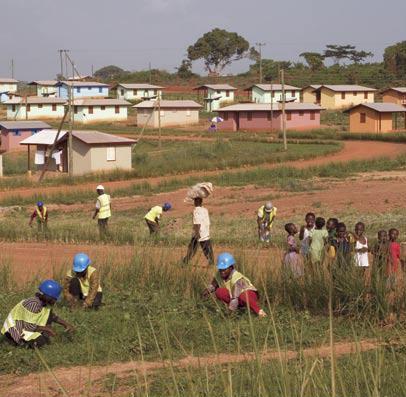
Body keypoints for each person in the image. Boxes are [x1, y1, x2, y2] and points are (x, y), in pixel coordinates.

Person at [1, 280, 74, 348]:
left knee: (45, 338)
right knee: (40, 341)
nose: (55, 301)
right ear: (48, 297)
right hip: (14, 330)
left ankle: (35, 339)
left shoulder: (44, 304)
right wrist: (47, 329)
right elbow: (28, 326)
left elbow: (52, 316)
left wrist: (66, 324)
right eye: (54, 299)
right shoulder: (33, 304)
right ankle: (19, 343)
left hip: (26, 328)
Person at [203, 253, 267, 317]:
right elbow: (213, 286)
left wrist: (229, 314)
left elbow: (235, 299)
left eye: (224, 269)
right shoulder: (219, 274)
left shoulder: (237, 278)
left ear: (231, 268)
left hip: (249, 295)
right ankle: (238, 310)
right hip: (236, 296)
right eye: (220, 269)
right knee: (219, 292)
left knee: (243, 296)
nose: (222, 271)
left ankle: (261, 313)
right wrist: (206, 292)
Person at [182, 197, 214, 265]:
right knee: (208, 249)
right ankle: (211, 262)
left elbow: (197, 223)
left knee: (192, 249)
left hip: (199, 233)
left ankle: (185, 262)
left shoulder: (196, 210)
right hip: (206, 232)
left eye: (194, 201)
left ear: (195, 202)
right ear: (201, 202)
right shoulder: (205, 210)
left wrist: (197, 234)